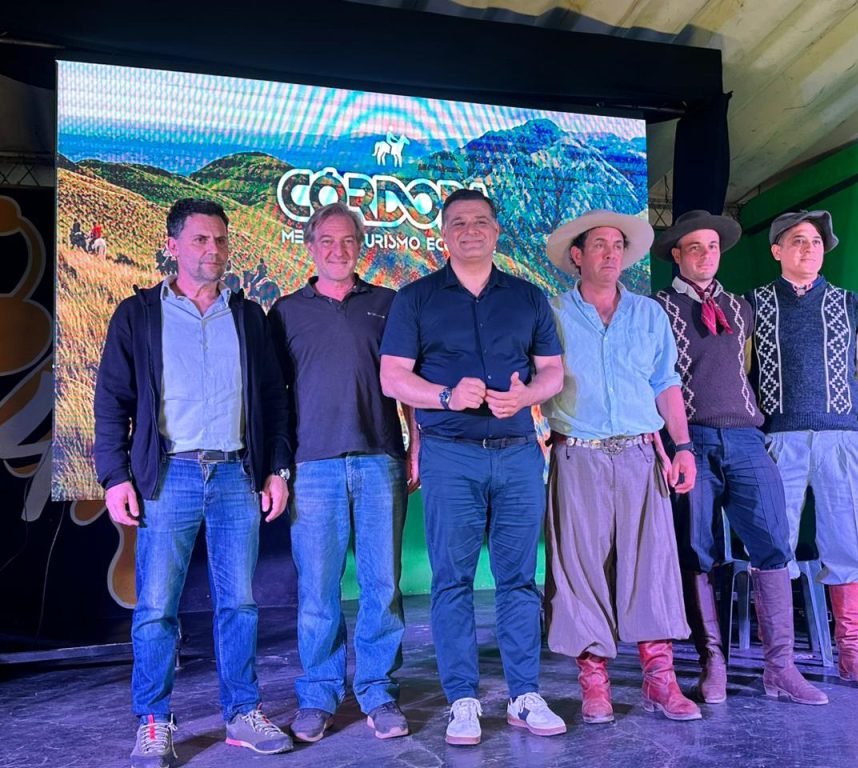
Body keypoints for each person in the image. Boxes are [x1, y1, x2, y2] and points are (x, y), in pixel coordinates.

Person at [94, 198, 294, 768]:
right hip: (169, 477)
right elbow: (111, 401)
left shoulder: (249, 317)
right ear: (173, 245)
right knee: (157, 608)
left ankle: (242, 713)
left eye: (221, 240)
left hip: (236, 475)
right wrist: (114, 476)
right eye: (201, 239)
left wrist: (277, 469)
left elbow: (274, 402)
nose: (214, 249)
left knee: (240, 605)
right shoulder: (138, 315)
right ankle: (153, 720)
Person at [379, 188, 566, 746]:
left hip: (517, 453)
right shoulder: (415, 298)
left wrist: (526, 395)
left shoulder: (529, 298)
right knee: (453, 581)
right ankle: (462, 699)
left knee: (519, 580)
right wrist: (444, 396)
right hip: (449, 455)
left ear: (496, 231)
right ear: (443, 235)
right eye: (458, 222)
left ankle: (524, 695)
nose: (470, 230)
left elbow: (553, 371)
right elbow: (392, 376)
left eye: (480, 221)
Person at [650, 210, 828, 706]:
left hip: (746, 437)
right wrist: (669, 444)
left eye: (712, 246)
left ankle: (781, 668)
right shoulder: (658, 307)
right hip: (690, 438)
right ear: (677, 255)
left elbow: (749, 367)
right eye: (695, 247)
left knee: (773, 543)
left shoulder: (738, 306)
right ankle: (713, 663)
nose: (706, 254)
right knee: (697, 550)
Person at [542, 209, 700, 725]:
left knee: (653, 564)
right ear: (577, 255)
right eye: (600, 245)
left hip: (639, 453)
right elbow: (537, 380)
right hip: (577, 454)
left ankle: (660, 679)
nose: (611, 254)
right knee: (580, 569)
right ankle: (594, 682)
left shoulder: (649, 314)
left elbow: (665, 382)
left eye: (618, 245)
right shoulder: (552, 313)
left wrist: (682, 446)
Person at [269, 202, 417, 743]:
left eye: (348, 240)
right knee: (317, 590)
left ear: (362, 245)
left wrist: (416, 445)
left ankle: (379, 692)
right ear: (310, 246)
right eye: (327, 241)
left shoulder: (388, 305)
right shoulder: (286, 311)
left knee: (383, 586)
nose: (338, 249)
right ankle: (318, 695)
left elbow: (407, 382)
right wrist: (278, 466)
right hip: (313, 468)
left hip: (380, 459)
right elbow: (275, 397)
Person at [747, 209, 858, 690]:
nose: (808, 248)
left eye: (814, 241)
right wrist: (755, 439)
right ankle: (779, 662)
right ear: (777, 250)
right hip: (778, 442)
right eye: (797, 240)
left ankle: (853, 654)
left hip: (842, 441)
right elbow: (739, 379)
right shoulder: (753, 306)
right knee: (773, 550)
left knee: (849, 547)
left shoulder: (852, 305)